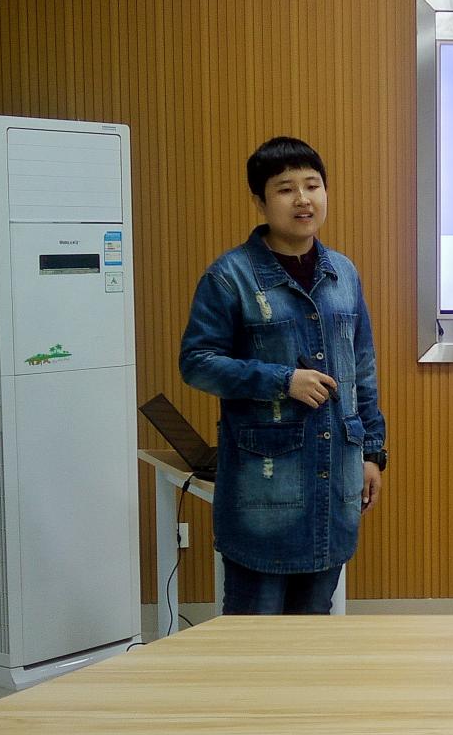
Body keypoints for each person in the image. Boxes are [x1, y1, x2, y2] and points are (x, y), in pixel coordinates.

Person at [179, 136, 386, 615]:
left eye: (312, 185)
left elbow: (363, 370)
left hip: (335, 479)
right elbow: (197, 362)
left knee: (312, 632)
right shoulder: (230, 276)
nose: (303, 199)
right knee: (255, 635)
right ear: (260, 201)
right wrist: (281, 380)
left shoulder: (343, 273)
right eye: (286, 189)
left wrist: (373, 453)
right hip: (265, 490)